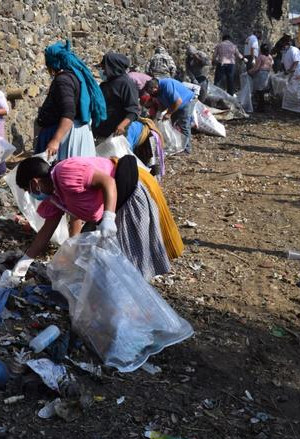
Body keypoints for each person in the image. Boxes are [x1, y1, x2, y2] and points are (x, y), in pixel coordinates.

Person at [10, 156, 180, 280]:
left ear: (34, 183)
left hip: (125, 198)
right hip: (106, 212)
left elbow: (108, 182)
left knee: (134, 261)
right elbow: (47, 230)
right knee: (108, 266)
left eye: (28, 189)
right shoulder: (54, 196)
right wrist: (26, 260)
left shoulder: (66, 173)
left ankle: (138, 308)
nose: (31, 194)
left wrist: (108, 217)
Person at [35, 41, 106, 160]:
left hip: (67, 138)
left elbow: (68, 113)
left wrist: (55, 140)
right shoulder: (76, 77)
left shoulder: (63, 81)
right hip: (76, 134)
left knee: (66, 174)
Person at [93, 52, 140, 141]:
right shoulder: (105, 84)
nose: (102, 70)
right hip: (101, 132)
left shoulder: (126, 84)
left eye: (104, 67)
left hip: (116, 134)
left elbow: (133, 110)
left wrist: (122, 125)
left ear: (112, 67)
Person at [144, 78, 195, 154]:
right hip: (174, 105)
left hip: (186, 102)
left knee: (184, 125)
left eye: (151, 91)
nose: (151, 94)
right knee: (174, 126)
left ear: (155, 87)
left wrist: (169, 114)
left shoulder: (166, 85)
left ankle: (186, 149)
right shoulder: (156, 92)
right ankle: (177, 146)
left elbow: (178, 101)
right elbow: (162, 104)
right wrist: (159, 113)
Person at [247, 43, 274, 111]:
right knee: (264, 91)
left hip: (261, 74)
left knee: (259, 91)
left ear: (261, 49)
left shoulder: (260, 57)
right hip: (267, 74)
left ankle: (260, 107)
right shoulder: (270, 57)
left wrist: (249, 72)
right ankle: (263, 107)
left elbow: (257, 68)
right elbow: (271, 65)